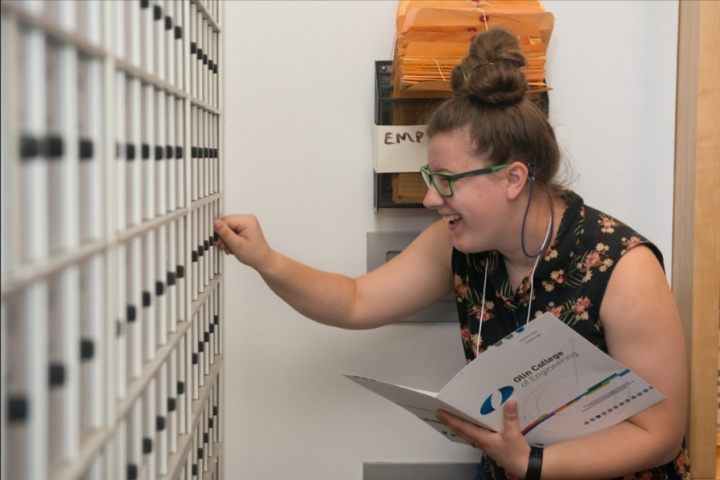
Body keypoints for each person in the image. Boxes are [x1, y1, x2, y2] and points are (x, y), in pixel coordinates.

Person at [213, 28, 689, 480]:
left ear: (513, 179)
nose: (430, 200)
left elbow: (660, 435)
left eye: (447, 181)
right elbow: (354, 300)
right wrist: (265, 259)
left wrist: (534, 465)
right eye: (429, 178)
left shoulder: (624, 267)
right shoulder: (460, 245)